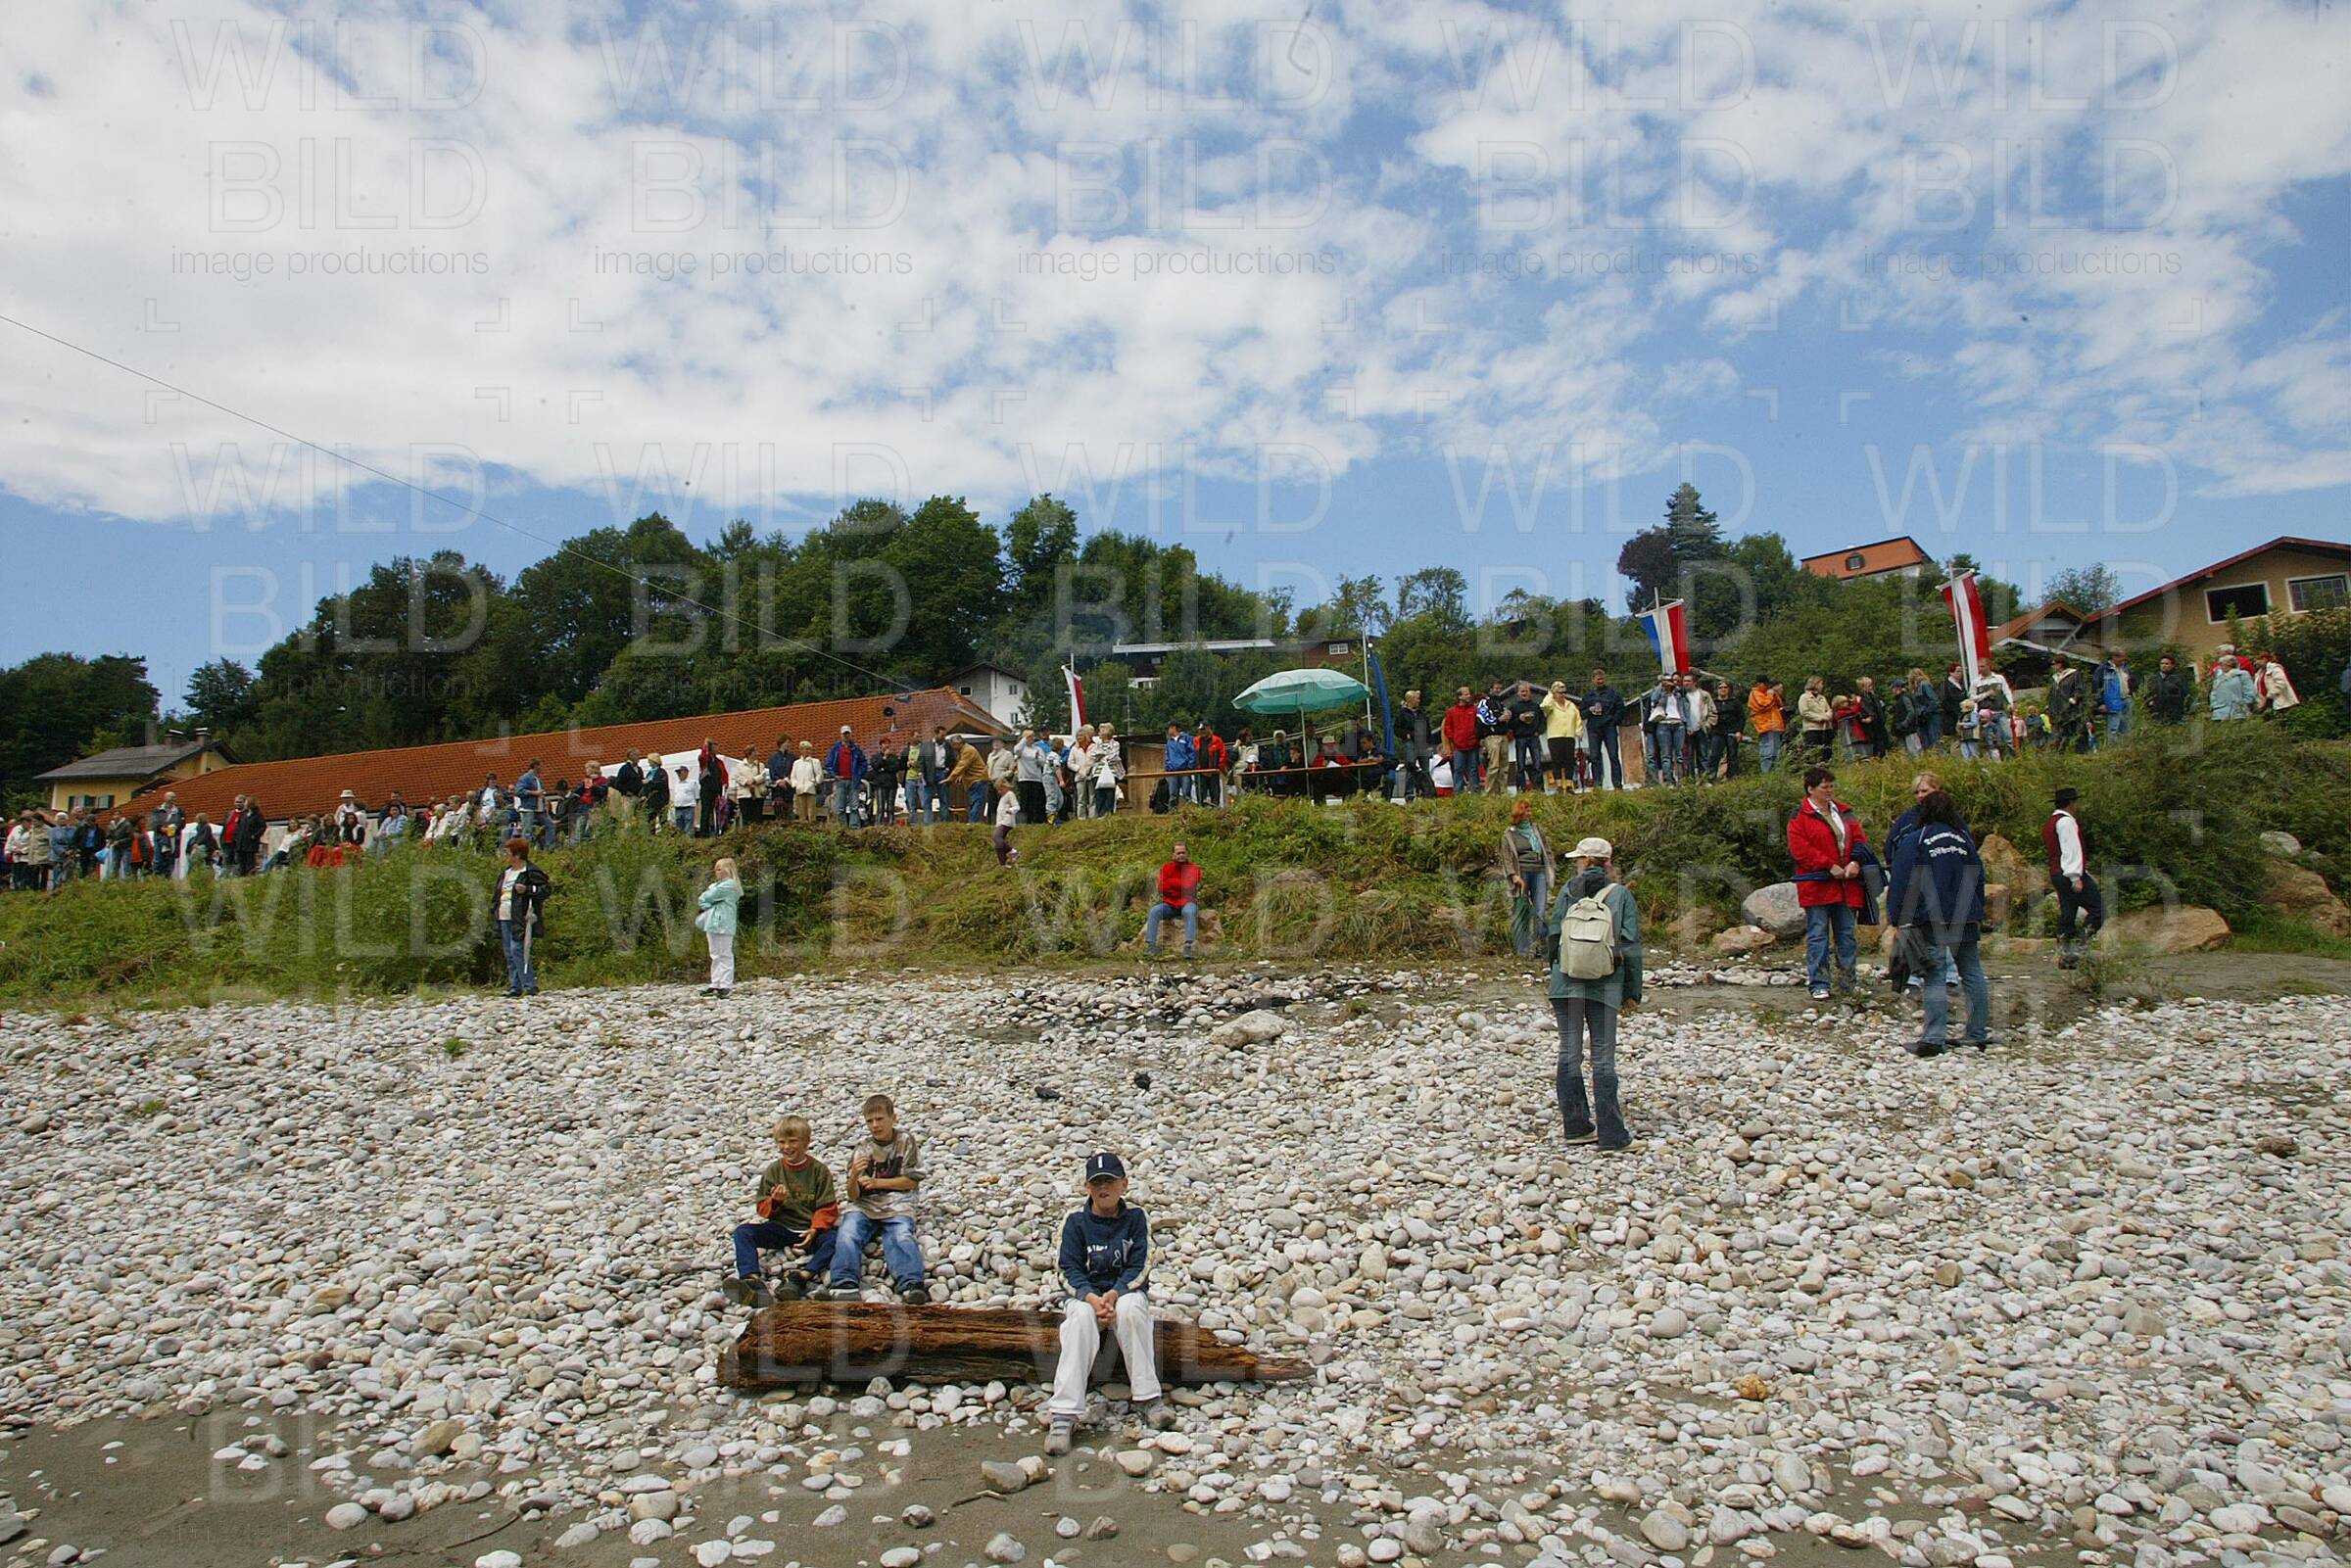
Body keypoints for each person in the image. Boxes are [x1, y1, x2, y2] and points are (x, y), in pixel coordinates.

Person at [1044, 1152, 1170, 1455]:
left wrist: (1114, 1294)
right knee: (1079, 1320)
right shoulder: (1074, 1222)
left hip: (1123, 1293)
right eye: (1097, 1182)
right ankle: (1063, 1414)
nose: (1104, 1188)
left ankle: (1148, 1398)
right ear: (1087, 1187)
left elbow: (1140, 1265)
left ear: (1124, 1184)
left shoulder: (1136, 1218)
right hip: (1085, 1295)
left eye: (1110, 1181)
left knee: (1132, 1310)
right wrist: (1091, 1297)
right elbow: (1067, 1268)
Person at [1545, 835, 1641, 1152]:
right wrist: (1632, 992)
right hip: (1606, 986)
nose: (1576, 863)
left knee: (1569, 1054)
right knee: (1602, 1059)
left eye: (1578, 859)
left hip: (1566, 984)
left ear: (1586, 862)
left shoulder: (1567, 891)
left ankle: (1576, 1127)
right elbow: (1630, 945)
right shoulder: (1621, 895)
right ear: (1607, 863)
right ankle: (1612, 1135)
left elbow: (1553, 935)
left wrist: (1557, 973)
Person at [1888, 788, 1991, 1057]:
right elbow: (1979, 877)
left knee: (1934, 973)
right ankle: (1977, 1033)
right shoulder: (1964, 839)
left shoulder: (1917, 839)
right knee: (1972, 971)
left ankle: (1934, 1038)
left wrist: (1897, 917)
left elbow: (1901, 880)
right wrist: (1977, 909)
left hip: (1932, 917)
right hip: (1966, 915)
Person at [725, 1116, 841, 1307]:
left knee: (837, 1240)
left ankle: (800, 1278)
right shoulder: (774, 1170)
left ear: (806, 1142)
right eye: (781, 1142)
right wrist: (775, 1202)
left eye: (793, 1141)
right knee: (743, 1232)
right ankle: (751, 1281)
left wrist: (815, 1229)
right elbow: (762, 1208)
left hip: (810, 1231)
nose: (787, 1147)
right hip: (782, 1228)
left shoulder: (819, 1171)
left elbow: (827, 1207)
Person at [827, 1094, 928, 1304]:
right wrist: (854, 1176)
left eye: (880, 1119)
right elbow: (853, 1195)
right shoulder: (862, 1148)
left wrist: (877, 1183)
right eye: (870, 1121)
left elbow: (911, 1181)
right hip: (865, 1205)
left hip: (898, 1203)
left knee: (901, 1235)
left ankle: (911, 1284)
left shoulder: (905, 1141)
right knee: (847, 1233)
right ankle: (843, 1282)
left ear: (893, 1118)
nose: (875, 1125)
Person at [1789, 766, 1867, 1002]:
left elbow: (1860, 840)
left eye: (1831, 786)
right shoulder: (1799, 816)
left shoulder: (1845, 812)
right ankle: (1819, 982)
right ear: (1811, 789)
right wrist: (1828, 865)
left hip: (1846, 884)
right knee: (1818, 934)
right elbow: (1800, 849)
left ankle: (1848, 982)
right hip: (1816, 884)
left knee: (1847, 934)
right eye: (1825, 787)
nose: (1830, 791)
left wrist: (1855, 861)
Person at [2045, 785, 2104, 970]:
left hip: (2057, 872)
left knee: (2068, 912)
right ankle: (2080, 949)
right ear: (2071, 803)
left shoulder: (2052, 822)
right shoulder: (2066, 822)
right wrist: (2075, 876)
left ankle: (2066, 954)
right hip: (2068, 873)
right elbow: (2070, 850)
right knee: (2098, 909)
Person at [494, 837, 551, 999]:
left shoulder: (530, 872)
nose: (505, 855)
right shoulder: (506, 873)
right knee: (508, 952)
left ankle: (529, 985)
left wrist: (527, 889)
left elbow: (545, 889)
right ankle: (515, 986)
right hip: (504, 915)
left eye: (507, 852)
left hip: (521, 916)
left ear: (517, 854)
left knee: (517, 949)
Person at [1501, 799, 1555, 959]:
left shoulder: (1536, 830)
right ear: (1519, 813)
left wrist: (1552, 867)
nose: (1529, 813)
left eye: (1530, 810)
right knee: (1522, 911)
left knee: (1540, 911)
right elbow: (1506, 857)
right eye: (1526, 810)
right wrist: (1513, 875)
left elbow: (1547, 849)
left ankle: (1542, 949)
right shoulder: (1509, 834)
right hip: (1521, 874)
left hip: (1539, 872)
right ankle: (1522, 950)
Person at [1143, 842, 1203, 959]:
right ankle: (1151, 946)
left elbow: (1189, 886)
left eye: (1183, 853)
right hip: (1170, 904)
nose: (1181, 855)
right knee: (1154, 911)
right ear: (1173, 855)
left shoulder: (1194, 868)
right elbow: (1161, 888)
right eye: (1178, 853)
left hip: (1188, 902)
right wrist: (1181, 886)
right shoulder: (1166, 868)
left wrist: (1172, 884)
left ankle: (1189, 946)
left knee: (1190, 912)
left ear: (1187, 854)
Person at [696, 856, 742, 998]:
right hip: (713, 922)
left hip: (724, 923)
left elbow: (708, 896)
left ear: (728, 870)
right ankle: (715, 983)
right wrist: (708, 900)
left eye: (719, 869)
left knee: (725, 954)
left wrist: (708, 899)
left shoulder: (730, 885)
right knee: (715, 954)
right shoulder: (717, 885)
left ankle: (726, 984)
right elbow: (703, 900)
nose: (716, 872)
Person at [1581, 670, 1626, 790]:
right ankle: (1598, 784)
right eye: (1598, 679)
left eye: (1602, 679)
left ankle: (1617, 784)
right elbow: (1581, 714)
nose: (1600, 681)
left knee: (1613, 755)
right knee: (1594, 757)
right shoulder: (1588, 696)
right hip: (1593, 729)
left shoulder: (1613, 694)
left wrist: (1614, 721)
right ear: (1593, 680)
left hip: (1609, 727)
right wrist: (1589, 710)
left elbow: (1621, 709)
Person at [1536, 680, 1583, 793]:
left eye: (1564, 692)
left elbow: (1577, 718)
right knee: (1557, 761)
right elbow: (1544, 706)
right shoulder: (1550, 704)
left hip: (1569, 736)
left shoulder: (1571, 705)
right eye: (1559, 692)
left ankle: (1569, 785)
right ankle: (1559, 786)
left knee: (1569, 761)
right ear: (1554, 693)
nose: (1562, 695)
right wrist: (1550, 695)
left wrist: (1579, 732)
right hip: (1554, 737)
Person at [1397, 689, 1437, 800]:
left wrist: (1429, 742)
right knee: (1411, 768)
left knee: (1425, 770)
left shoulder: (1421, 713)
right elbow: (1397, 728)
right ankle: (1409, 794)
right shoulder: (1402, 713)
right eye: (1416, 699)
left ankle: (1427, 792)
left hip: (1422, 742)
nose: (1418, 701)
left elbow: (1427, 727)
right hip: (1411, 742)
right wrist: (1407, 735)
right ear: (1410, 700)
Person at [1475, 679, 1512, 796]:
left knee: (1504, 766)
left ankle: (1503, 792)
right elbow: (1482, 717)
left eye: (1500, 688)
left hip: (1503, 735)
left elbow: (1504, 716)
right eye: (1496, 688)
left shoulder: (1500, 702)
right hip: (1492, 737)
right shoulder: (1484, 702)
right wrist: (1498, 719)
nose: (1498, 690)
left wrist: (1507, 715)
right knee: (1494, 765)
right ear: (1491, 689)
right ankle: (1489, 792)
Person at [1441, 687, 1481, 795]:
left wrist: (1476, 737)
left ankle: (1475, 791)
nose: (1469, 696)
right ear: (1460, 696)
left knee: (1473, 769)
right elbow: (1447, 727)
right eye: (1466, 694)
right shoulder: (1452, 711)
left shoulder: (1474, 709)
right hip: (1458, 746)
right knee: (1458, 769)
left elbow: (1479, 724)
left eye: (1469, 694)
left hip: (1473, 744)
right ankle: (1458, 792)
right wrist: (1453, 738)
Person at [2047, 663, 2091, 752]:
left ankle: (2081, 751)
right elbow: (2052, 694)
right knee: (2062, 732)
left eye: (2054, 664)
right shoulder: (2055, 678)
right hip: (2059, 710)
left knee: (2077, 730)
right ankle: (2063, 752)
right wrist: (2050, 706)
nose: (2053, 666)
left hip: (2072, 709)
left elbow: (2079, 688)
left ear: (2060, 664)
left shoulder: (2074, 674)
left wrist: (2075, 698)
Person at [1748, 676, 1786, 774]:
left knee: (1776, 752)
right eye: (1765, 684)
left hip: (1776, 725)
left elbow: (1780, 704)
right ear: (1759, 684)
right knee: (1767, 751)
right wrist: (1770, 695)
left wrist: (1774, 694)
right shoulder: (1755, 693)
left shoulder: (1769, 693)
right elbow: (1763, 705)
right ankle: (1766, 773)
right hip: (1765, 726)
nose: (1767, 686)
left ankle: (1775, 773)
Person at [913, 728, 951, 825]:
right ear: (936, 734)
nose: (944, 738)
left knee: (944, 799)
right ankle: (928, 823)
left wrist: (949, 768)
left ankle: (944, 823)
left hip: (942, 772)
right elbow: (921, 760)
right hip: (929, 773)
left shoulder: (947, 746)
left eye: (945, 735)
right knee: (927, 799)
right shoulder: (926, 745)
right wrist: (921, 772)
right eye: (942, 735)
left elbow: (952, 759)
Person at [2097, 649, 2134, 743]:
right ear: (2114, 657)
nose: (2124, 660)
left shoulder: (2125, 668)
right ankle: (2112, 749)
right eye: (2122, 658)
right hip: (2112, 703)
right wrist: (2101, 703)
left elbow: (2131, 681)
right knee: (2113, 728)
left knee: (2127, 728)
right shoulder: (2103, 669)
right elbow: (2096, 687)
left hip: (2127, 700)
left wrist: (2132, 693)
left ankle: (2126, 748)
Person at [1796, 677, 1834, 759]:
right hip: (1812, 728)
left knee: (1827, 751)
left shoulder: (1822, 698)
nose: (1822, 686)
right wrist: (1820, 718)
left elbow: (1829, 710)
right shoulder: (1804, 697)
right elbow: (1804, 712)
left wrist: (1828, 716)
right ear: (1815, 684)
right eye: (1821, 684)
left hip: (1825, 728)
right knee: (1814, 752)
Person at [1087, 726, 1122, 817]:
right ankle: (1100, 814)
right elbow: (1093, 755)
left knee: (1109, 794)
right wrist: (1102, 756)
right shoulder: (1096, 744)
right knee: (1099, 795)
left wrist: (1103, 757)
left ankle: (1108, 813)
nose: (1099, 733)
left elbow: (1114, 756)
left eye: (1101, 731)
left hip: (1111, 772)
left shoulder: (1115, 744)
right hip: (1097, 773)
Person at [1710, 680, 1742, 780]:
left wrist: (1739, 731)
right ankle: (1711, 777)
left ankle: (1732, 776)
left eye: (1725, 687)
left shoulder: (1735, 702)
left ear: (1729, 689)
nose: (1723, 689)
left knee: (1732, 755)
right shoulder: (1713, 703)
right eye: (1720, 688)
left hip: (1732, 731)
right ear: (1717, 690)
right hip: (1717, 731)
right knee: (1715, 754)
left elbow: (1741, 717)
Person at [2144, 654, 2188, 724]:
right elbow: (2147, 693)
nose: (2164, 666)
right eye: (2162, 663)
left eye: (2166, 664)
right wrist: (2150, 702)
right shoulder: (2154, 679)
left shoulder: (2178, 679)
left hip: (2174, 714)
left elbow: (2185, 694)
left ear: (2172, 665)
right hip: (2157, 714)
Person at [2254, 651, 2300, 715]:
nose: (2255, 663)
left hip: (2282, 703)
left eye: (2257, 660)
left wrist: (2269, 696)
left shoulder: (2275, 668)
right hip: (2267, 703)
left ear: (2264, 659)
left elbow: (2281, 684)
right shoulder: (2259, 673)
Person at [2209, 656, 2255, 721]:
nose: (2220, 667)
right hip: (2219, 713)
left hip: (2238, 713)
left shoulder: (2242, 675)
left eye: (2221, 664)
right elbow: (2214, 693)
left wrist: (2243, 704)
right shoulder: (2218, 679)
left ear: (2229, 664)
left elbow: (2249, 691)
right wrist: (2214, 706)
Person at [992, 778, 1020, 866]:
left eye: (1001, 789)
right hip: (1000, 822)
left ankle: (1012, 851)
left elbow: (1017, 806)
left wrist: (1010, 810)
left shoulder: (1010, 794)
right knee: (998, 844)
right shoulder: (1002, 797)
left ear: (1005, 786)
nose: (999, 792)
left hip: (1006, 821)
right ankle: (1003, 863)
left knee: (996, 837)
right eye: (998, 790)